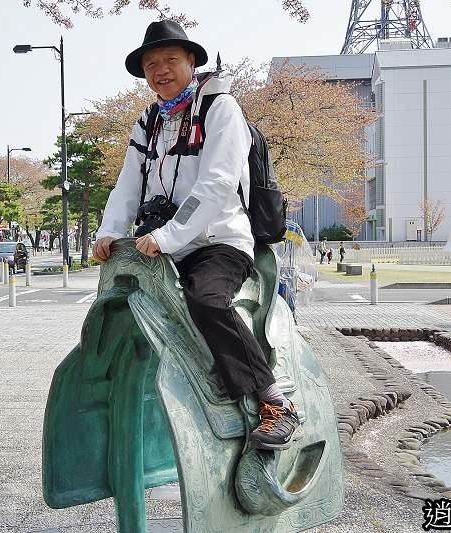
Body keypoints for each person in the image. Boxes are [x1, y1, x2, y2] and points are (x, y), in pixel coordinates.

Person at [92, 20, 300, 451]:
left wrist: (170, 235)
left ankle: (273, 401)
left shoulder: (220, 109)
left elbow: (218, 183)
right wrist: (109, 232)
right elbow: (127, 184)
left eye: (170, 60)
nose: (160, 70)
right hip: (163, 242)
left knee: (206, 300)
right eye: (151, 64)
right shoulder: (148, 122)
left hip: (217, 241)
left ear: (192, 62)